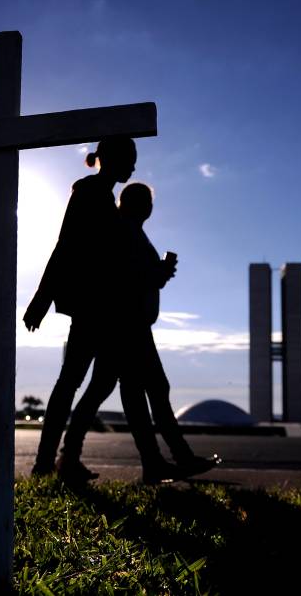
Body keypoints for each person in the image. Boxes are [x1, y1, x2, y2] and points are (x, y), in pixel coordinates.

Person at [60, 182, 220, 484]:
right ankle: (173, 458)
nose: (150, 206)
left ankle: (148, 462)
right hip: (127, 324)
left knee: (119, 391)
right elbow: (125, 275)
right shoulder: (124, 229)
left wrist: (157, 274)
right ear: (137, 203)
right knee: (153, 389)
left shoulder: (129, 229)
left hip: (123, 323)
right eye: (147, 201)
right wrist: (157, 274)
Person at [24, 137, 137, 479]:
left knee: (98, 381)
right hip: (92, 306)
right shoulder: (89, 192)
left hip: (106, 306)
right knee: (73, 382)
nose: (134, 166)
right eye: (130, 158)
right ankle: (49, 462)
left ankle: (64, 458)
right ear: (111, 159)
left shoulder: (105, 197)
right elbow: (66, 245)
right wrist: (41, 299)